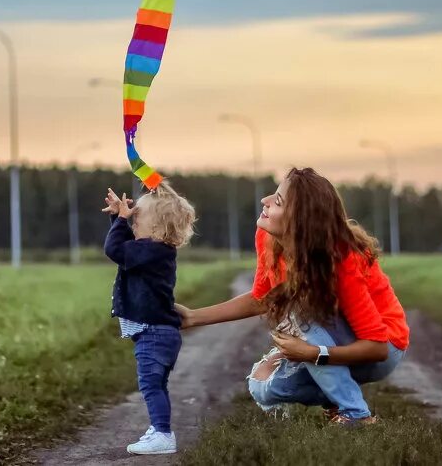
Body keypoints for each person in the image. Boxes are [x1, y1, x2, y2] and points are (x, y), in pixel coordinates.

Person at [175, 167, 408, 424]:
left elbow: (376, 347)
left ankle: (356, 415)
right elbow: (261, 298)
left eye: (278, 200)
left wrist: (313, 354)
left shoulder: (342, 260)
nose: (265, 201)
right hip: (328, 336)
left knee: (297, 310)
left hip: (384, 346)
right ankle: (336, 397)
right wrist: (193, 317)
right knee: (263, 387)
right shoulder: (267, 237)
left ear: (299, 220)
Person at [102, 183, 197, 455]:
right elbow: (124, 248)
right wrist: (116, 218)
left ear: (156, 229)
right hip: (159, 333)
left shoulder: (153, 251)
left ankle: (163, 434)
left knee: (150, 385)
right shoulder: (154, 250)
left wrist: (120, 219)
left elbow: (115, 250)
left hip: (154, 334)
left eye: (136, 219)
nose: (131, 222)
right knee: (156, 385)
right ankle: (159, 429)